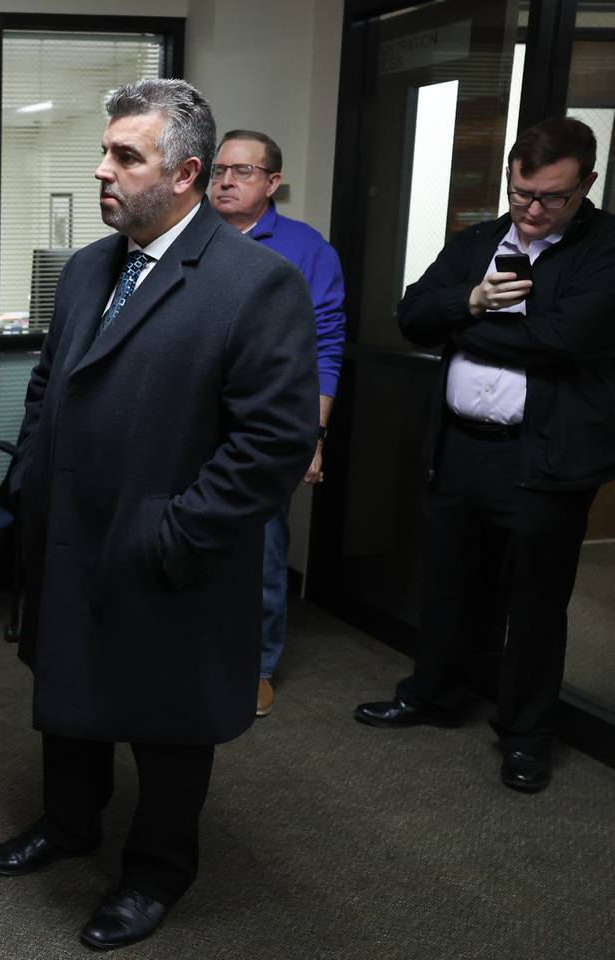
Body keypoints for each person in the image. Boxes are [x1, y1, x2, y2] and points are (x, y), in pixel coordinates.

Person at [0, 79, 317, 950]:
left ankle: (158, 871)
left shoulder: (256, 283)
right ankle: (69, 824)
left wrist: (175, 532)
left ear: (186, 173)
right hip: (72, 530)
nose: (103, 170)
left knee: (166, 724)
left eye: (126, 156)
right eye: (107, 151)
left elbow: (272, 446)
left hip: (169, 548)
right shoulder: (92, 264)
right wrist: (34, 476)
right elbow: (53, 378)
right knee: (70, 692)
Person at [354, 116, 615, 794]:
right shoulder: (477, 242)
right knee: (447, 582)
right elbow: (411, 314)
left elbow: (562, 340)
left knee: (534, 603)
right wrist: (469, 300)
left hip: (546, 458)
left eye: (550, 198)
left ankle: (527, 736)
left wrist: (464, 326)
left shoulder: (606, 249)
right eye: (520, 192)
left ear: (586, 184)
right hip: (462, 446)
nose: (531, 210)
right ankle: (433, 695)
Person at [210, 130, 347, 717]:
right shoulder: (186, 235)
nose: (225, 181)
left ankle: (258, 665)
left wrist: (313, 435)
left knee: (262, 550)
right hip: (187, 420)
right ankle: (190, 656)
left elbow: (327, 345)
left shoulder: (305, 248)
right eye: (218, 169)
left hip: (264, 428)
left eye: (242, 171)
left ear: (273, 182)